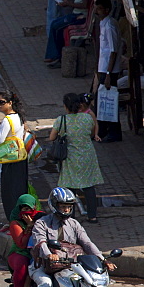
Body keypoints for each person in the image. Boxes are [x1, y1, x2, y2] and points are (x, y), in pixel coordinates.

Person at [28, 187, 115, 287]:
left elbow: (87, 243)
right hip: (43, 267)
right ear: (54, 205)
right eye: (63, 206)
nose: (66, 210)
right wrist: (49, 254)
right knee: (46, 285)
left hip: (68, 267)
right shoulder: (42, 223)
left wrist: (103, 259)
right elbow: (40, 242)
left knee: (83, 285)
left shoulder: (74, 224)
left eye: (69, 207)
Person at [49, 93, 104, 223]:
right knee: (89, 186)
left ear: (65, 106)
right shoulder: (87, 118)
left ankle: (70, 217)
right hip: (87, 155)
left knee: (70, 186)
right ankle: (92, 216)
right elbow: (91, 133)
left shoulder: (61, 120)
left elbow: (52, 137)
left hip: (70, 157)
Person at [93, 0, 123, 142]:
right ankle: (102, 131)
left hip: (109, 71)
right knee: (101, 102)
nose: (97, 11)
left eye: (99, 9)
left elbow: (113, 51)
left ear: (106, 10)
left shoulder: (110, 26)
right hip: (103, 69)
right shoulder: (103, 24)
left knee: (110, 102)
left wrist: (109, 74)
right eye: (96, 8)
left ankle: (114, 132)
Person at [0, 89, 28, 220]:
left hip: (8, 159)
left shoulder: (7, 120)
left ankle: (12, 220)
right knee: (19, 189)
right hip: (20, 157)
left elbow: (0, 139)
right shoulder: (18, 117)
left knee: (8, 192)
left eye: (2, 102)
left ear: (10, 103)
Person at [7, 194, 41, 287]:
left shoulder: (41, 218)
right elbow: (21, 244)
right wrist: (30, 226)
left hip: (38, 252)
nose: (27, 212)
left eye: (29, 209)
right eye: (24, 209)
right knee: (23, 267)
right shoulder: (15, 223)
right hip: (20, 253)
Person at [45, 0, 91, 67]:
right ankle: (53, 54)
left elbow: (84, 5)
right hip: (75, 14)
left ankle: (58, 56)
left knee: (58, 28)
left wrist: (69, 4)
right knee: (54, 23)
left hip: (80, 16)